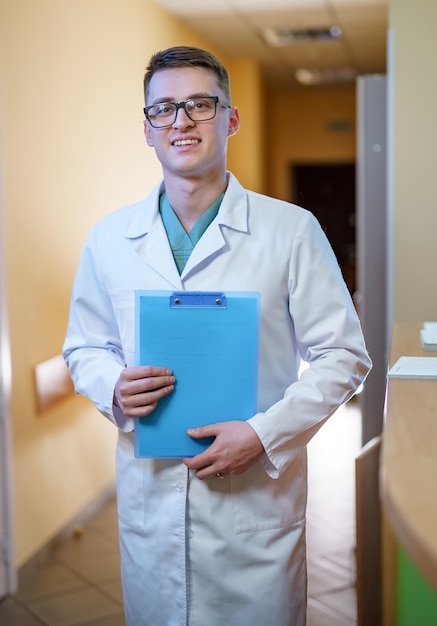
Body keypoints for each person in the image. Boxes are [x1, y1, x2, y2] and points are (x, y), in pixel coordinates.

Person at [63, 45, 371, 626]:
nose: (181, 122)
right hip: (149, 506)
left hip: (254, 512)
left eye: (199, 105)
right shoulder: (109, 239)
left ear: (229, 119)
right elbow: (85, 346)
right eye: (164, 110)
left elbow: (343, 356)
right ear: (148, 129)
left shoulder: (290, 231)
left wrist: (262, 434)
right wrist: (112, 389)